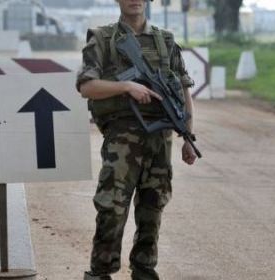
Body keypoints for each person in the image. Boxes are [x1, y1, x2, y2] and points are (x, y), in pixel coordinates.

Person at [76, 0, 197, 279]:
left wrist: (188, 137)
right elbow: (86, 86)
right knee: (112, 207)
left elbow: (183, 92)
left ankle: (144, 269)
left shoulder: (165, 40)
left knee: (153, 207)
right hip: (123, 139)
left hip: (160, 138)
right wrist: (127, 86)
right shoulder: (102, 38)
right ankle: (100, 272)